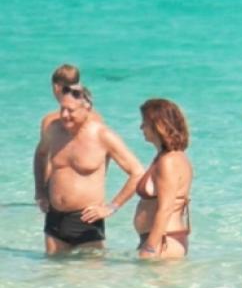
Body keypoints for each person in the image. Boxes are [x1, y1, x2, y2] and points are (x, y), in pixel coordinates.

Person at [38, 85, 142, 253]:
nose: (64, 115)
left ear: (86, 108)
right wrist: (40, 192)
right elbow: (40, 155)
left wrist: (111, 207)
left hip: (86, 221)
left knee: (90, 278)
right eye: (62, 109)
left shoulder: (103, 135)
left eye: (70, 110)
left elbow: (137, 172)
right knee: (52, 275)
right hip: (54, 218)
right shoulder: (54, 130)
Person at [32, 65, 103, 213]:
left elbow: (45, 158)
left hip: (57, 197)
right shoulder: (96, 119)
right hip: (89, 201)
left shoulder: (51, 121)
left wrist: (41, 192)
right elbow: (101, 160)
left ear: (56, 87)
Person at [133, 98, 193, 258]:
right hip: (161, 239)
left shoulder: (169, 161)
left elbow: (166, 208)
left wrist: (150, 248)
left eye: (144, 122)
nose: (141, 127)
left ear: (158, 125)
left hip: (163, 241)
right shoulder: (167, 157)